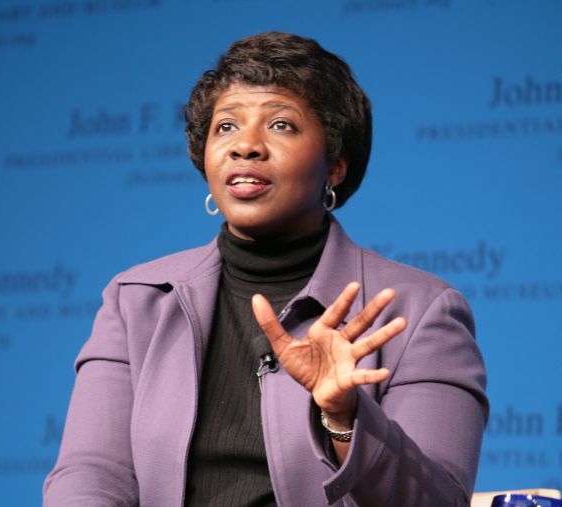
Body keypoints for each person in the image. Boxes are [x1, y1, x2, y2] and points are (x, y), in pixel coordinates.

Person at [43, 32, 488, 506]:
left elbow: (439, 500)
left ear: (335, 166)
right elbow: (90, 476)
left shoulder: (419, 313)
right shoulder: (139, 299)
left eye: (281, 125)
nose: (245, 146)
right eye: (226, 127)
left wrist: (346, 418)